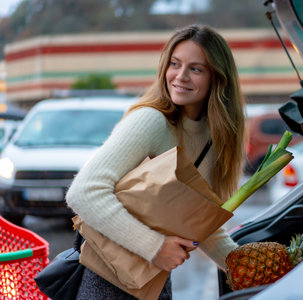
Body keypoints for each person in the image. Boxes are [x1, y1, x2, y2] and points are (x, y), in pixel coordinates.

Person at [66, 24, 246, 299]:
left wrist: (244, 268)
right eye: (175, 64)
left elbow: (200, 223)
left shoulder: (213, 138)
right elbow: (84, 192)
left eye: (196, 69)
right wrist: (156, 247)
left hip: (155, 281)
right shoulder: (151, 121)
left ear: (216, 78)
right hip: (109, 280)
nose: (180, 76)